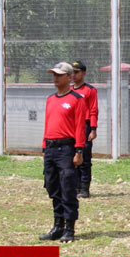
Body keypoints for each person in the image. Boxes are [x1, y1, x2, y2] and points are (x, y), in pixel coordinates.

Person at [39, 62, 87, 243]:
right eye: (54, 75)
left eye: (59, 75)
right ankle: (57, 226)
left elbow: (79, 127)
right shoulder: (50, 100)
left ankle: (70, 229)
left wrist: (79, 151)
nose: (55, 78)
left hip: (66, 149)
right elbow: (47, 124)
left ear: (69, 77)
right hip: (51, 148)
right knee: (52, 187)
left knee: (67, 188)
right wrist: (44, 146)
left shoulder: (76, 99)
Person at [71, 60, 98, 198]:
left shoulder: (89, 90)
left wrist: (93, 129)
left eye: (76, 72)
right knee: (72, 157)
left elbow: (93, 110)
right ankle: (74, 187)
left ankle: (84, 188)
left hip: (85, 126)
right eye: (72, 72)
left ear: (83, 73)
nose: (73, 75)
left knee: (85, 157)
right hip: (72, 126)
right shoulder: (69, 90)